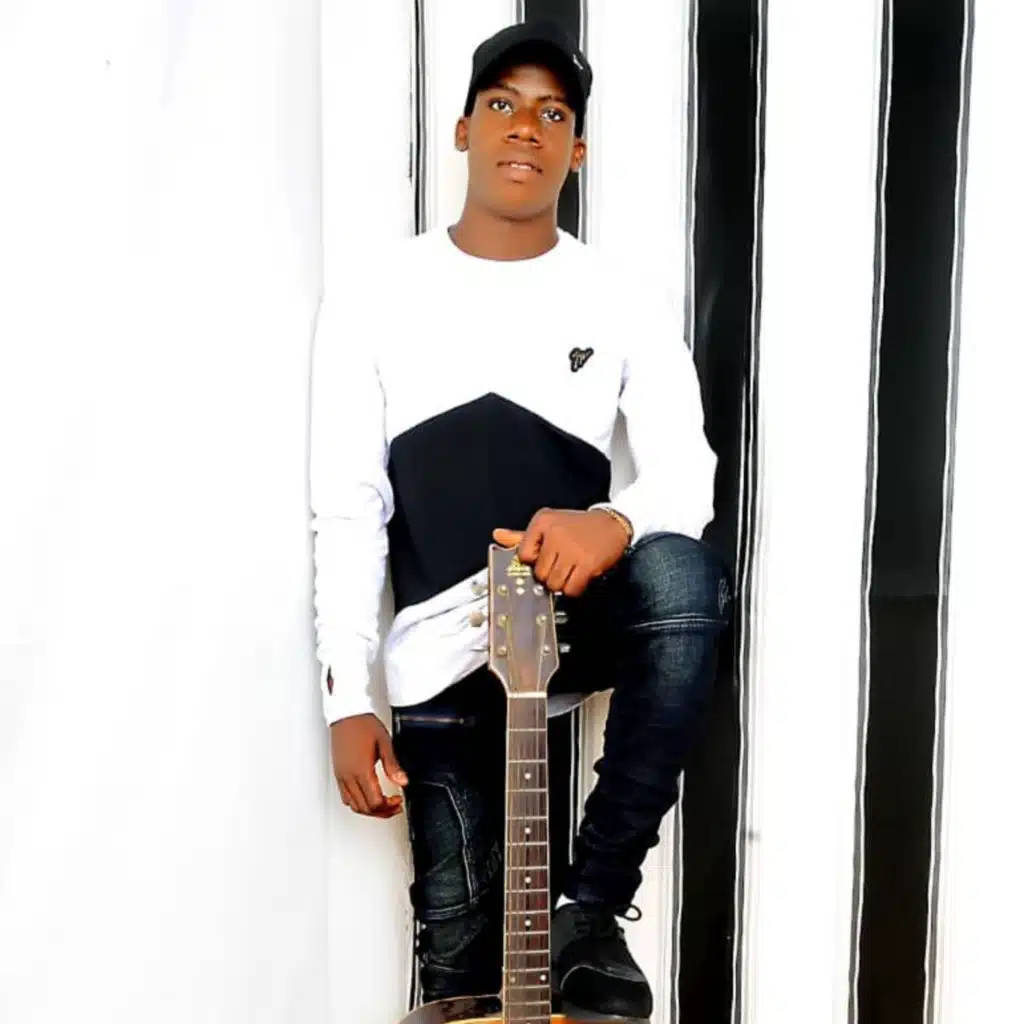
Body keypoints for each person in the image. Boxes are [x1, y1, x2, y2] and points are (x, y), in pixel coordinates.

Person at [310, 20, 731, 1020]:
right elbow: (349, 500)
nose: (525, 128)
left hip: (568, 621)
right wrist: (345, 694)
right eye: (501, 104)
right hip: (440, 655)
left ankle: (593, 905)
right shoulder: (375, 295)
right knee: (462, 985)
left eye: (552, 112)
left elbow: (688, 473)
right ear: (463, 130)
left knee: (684, 576)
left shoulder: (621, 298)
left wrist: (610, 524)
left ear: (575, 149)